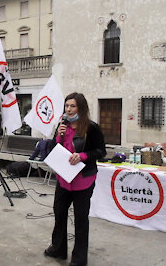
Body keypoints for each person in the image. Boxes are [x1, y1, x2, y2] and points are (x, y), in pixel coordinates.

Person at [44, 93, 106, 266]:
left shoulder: (91, 128)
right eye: (66, 106)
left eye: (73, 106)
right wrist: (58, 136)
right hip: (64, 179)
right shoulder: (62, 125)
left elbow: (101, 151)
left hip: (83, 181)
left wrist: (83, 156)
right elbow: (53, 149)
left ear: (81, 108)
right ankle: (58, 249)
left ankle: (79, 258)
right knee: (59, 213)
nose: (69, 110)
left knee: (80, 219)